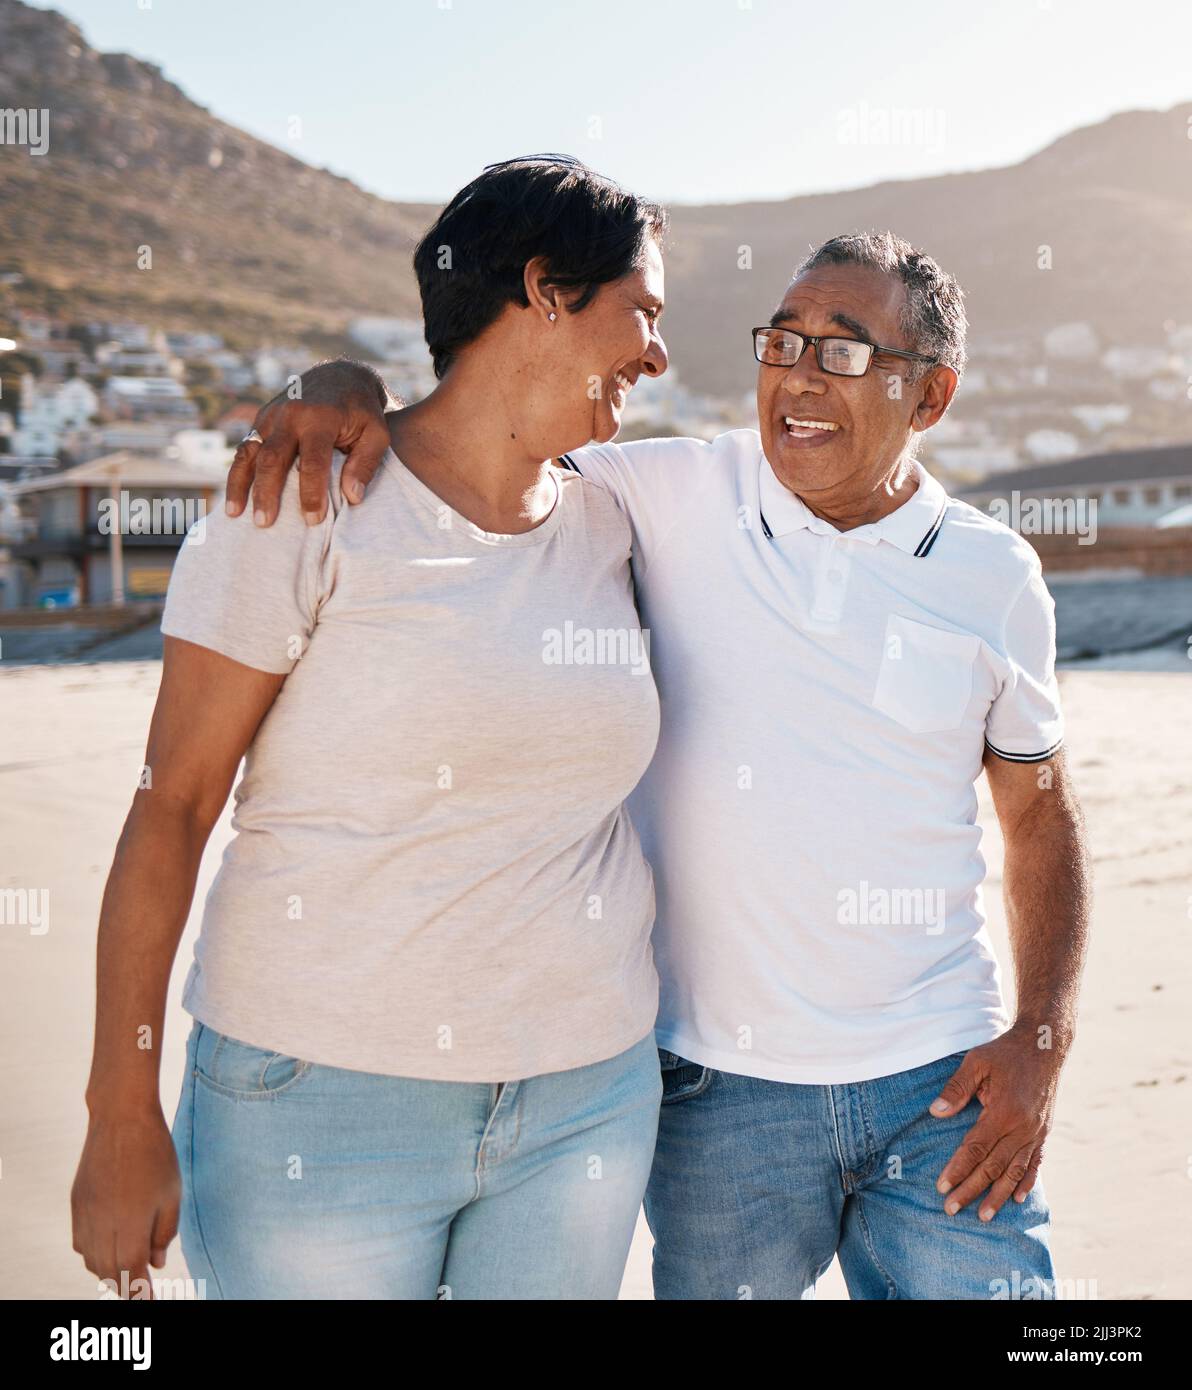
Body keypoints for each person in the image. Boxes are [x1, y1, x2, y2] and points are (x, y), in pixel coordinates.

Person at [236, 229, 1091, 1300]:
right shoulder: (663, 491)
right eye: (782, 342)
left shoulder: (992, 574)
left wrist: (1041, 1039)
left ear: (929, 397)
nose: (795, 376)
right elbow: (477, 434)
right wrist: (336, 381)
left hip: (941, 1078)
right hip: (711, 1093)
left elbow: (1041, 819)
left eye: (841, 350)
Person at [70, 155, 673, 1300]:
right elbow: (173, 807)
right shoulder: (300, 503)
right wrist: (118, 1111)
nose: (655, 352)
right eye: (640, 312)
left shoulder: (623, 517)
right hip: (319, 1101)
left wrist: (331, 373)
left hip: (585, 1100)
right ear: (544, 290)